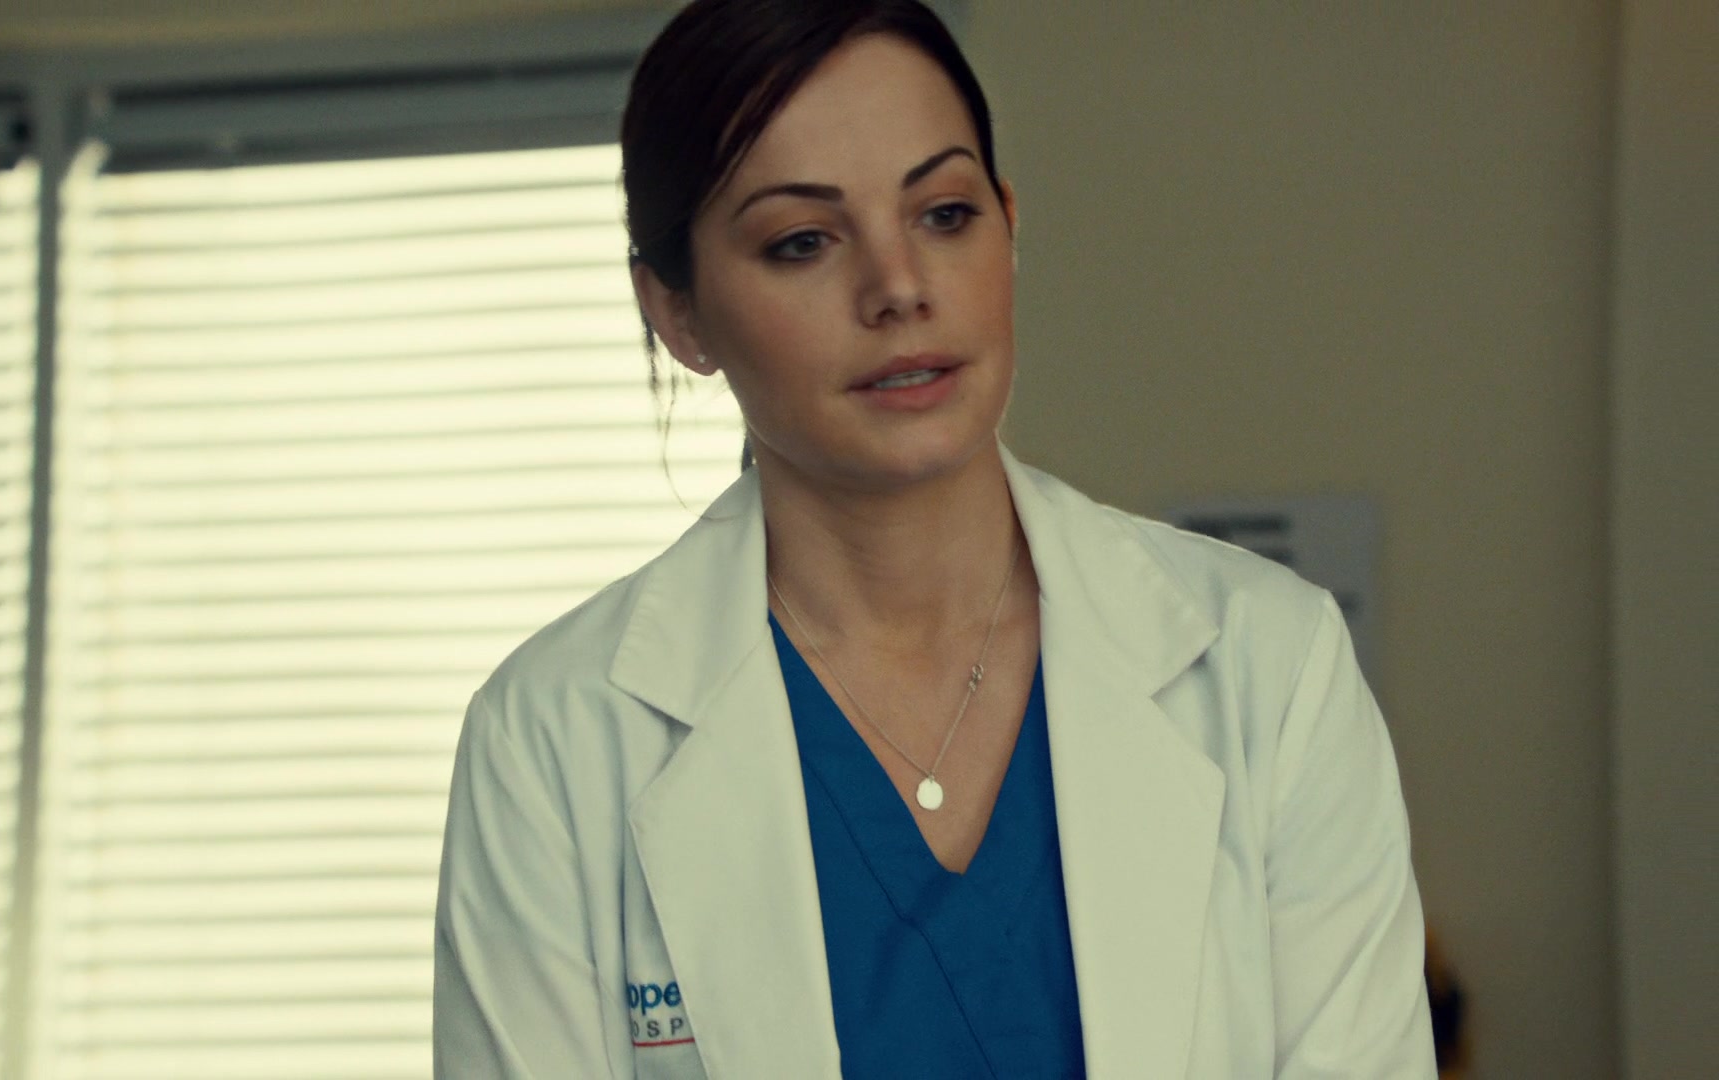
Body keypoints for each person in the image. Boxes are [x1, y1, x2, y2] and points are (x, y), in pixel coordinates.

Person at [432, 1, 1435, 1076]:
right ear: (677, 313)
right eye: (802, 241)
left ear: (1009, 226)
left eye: (945, 214)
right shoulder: (552, 739)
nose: (899, 287)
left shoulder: (1271, 671)